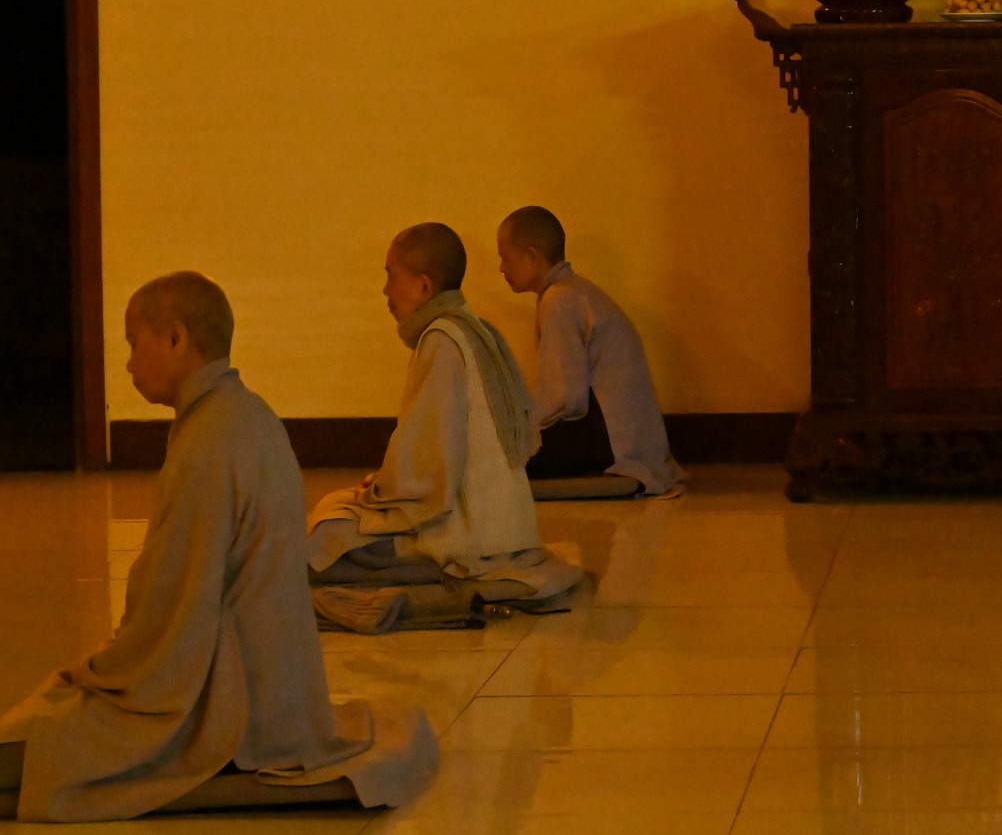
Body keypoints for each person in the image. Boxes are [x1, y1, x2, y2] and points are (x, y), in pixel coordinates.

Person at [0, 273, 436, 822]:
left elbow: (175, 613)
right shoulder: (244, 413)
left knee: (40, 745)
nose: (128, 364)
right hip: (280, 691)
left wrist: (102, 671)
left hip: (233, 707)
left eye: (134, 345)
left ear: (175, 338)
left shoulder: (209, 440)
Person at [306, 223, 581, 604]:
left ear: (423, 286)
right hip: (505, 527)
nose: (385, 290)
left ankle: (438, 571)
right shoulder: (472, 329)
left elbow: (429, 467)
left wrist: (377, 494)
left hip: (468, 534)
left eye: (390, 276)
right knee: (336, 517)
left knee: (327, 535)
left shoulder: (441, 341)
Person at [498, 205, 686, 495]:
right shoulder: (572, 291)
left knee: (498, 456)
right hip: (627, 439)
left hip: (611, 445)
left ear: (532, 256)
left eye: (505, 257)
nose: (501, 268)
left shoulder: (559, 299)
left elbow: (565, 399)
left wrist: (521, 432)